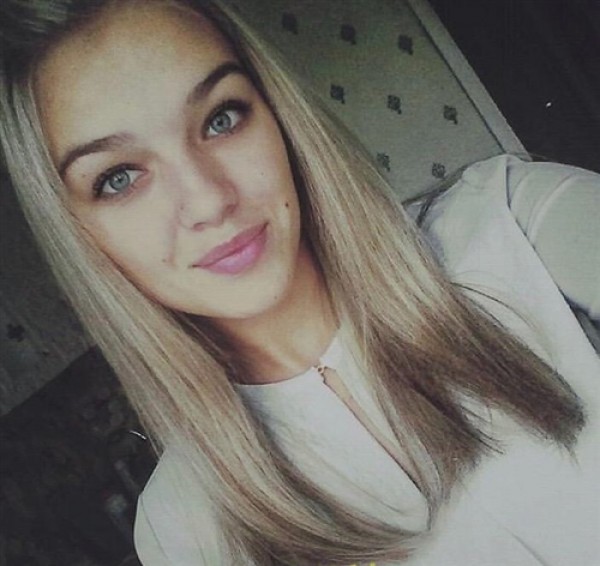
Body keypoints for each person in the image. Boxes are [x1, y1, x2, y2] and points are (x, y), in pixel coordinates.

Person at [0, 1, 598, 564]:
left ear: (279, 117)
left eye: (221, 119)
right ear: (78, 234)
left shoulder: (523, 221)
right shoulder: (183, 529)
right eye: (119, 177)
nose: (209, 200)